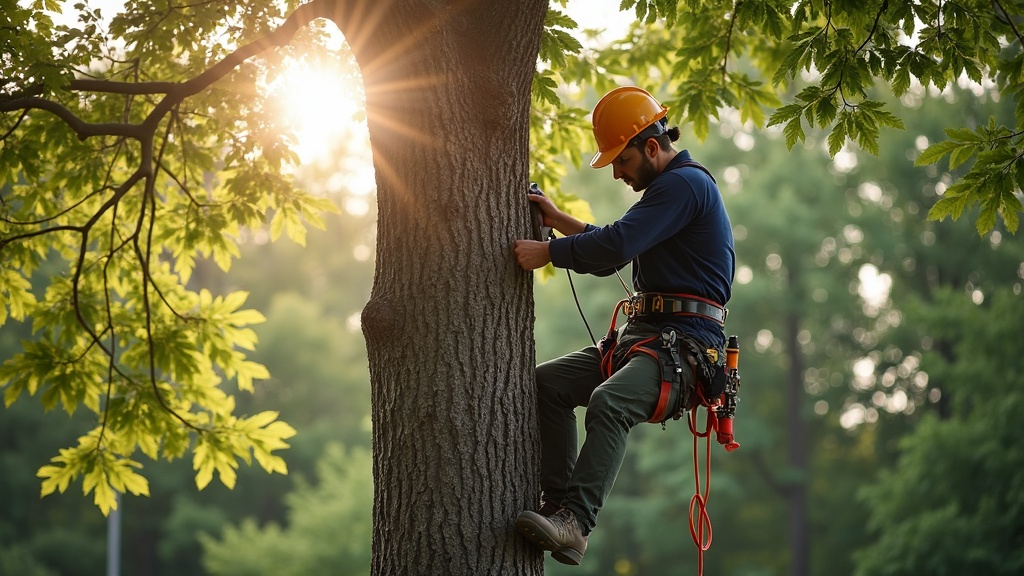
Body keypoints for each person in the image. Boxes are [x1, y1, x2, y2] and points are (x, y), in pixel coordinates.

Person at [512, 86, 735, 565]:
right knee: (547, 384)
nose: (615, 172)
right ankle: (557, 506)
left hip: (684, 349)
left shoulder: (685, 185)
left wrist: (548, 252)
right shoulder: (668, 191)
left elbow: (616, 247)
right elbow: (617, 239)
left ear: (651, 147)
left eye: (622, 160)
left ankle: (575, 523)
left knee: (609, 402)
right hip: (646, 339)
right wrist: (560, 221)